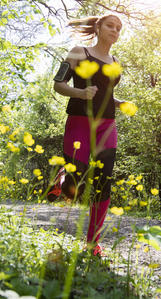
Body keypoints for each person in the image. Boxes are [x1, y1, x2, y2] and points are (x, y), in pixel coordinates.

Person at [49, 13, 132, 256]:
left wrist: (119, 103)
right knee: (76, 188)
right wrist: (79, 93)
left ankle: (92, 244)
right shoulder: (79, 52)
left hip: (107, 126)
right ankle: (62, 178)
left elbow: (104, 95)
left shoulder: (115, 62)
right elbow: (58, 84)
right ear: (98, 26)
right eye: (110, 25)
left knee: (103, 184)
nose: (115, 30)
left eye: (118, 28)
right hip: (79, 123)